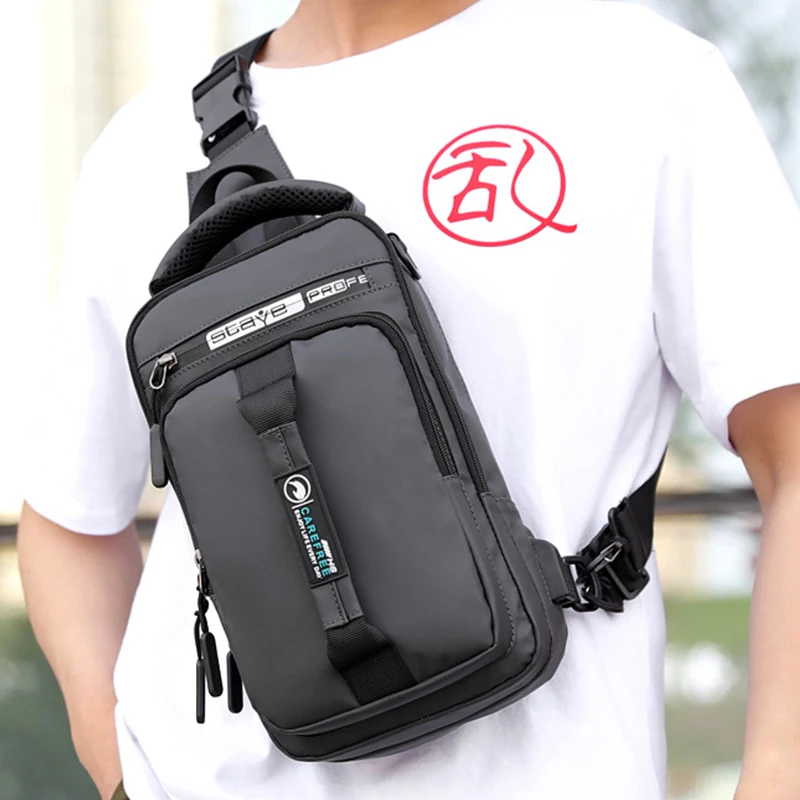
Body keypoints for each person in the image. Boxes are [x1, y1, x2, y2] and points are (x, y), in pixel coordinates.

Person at [17, 0, 800, 798]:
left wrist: (775, 774)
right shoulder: (146, 148)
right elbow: (68, 521)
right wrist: (122, 774)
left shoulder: (642, 82)